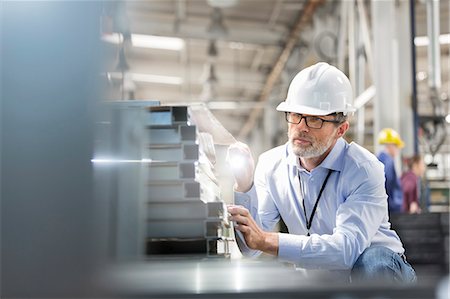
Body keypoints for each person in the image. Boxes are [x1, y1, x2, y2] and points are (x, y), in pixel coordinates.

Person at [227, 62, 416, 283]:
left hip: (384, 276)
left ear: (341, 129)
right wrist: (244, 186)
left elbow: (346, 251)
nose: (301, 126)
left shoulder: (363, 169)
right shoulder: (271, 165)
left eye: (315, 119)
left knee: (373, 262)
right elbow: (252, 249)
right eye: (296, 115)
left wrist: (268, 241)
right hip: (321, 283)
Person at [376, 128, 404, 214]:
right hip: (390, 209)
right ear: (390, 145)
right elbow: (388, 184)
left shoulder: (379, 159)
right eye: (396, 147)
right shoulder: (388, 161)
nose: (397, 150)